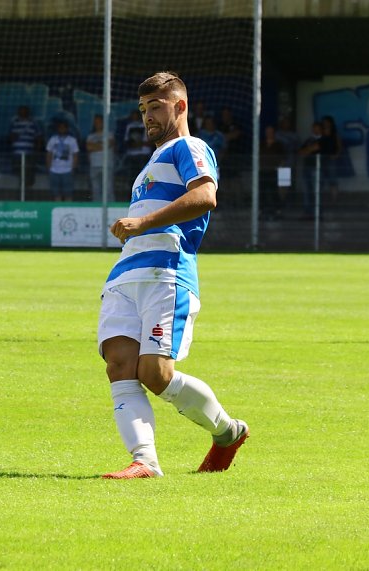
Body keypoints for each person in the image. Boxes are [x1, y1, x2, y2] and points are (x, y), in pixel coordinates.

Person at [98, 71, 248, 479]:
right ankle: (144, 461)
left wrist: (143, 222)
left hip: (166, 273)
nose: (146, 116)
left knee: (155, 374)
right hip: (125, 276)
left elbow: (205, 196)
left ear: (179, 106)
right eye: (142, 109)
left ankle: (228, 432)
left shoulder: (190, 147)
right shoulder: (150, 162)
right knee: (119, 364)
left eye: (155, 107)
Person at [9, 105, 41, 191]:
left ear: (28, 112)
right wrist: (13, 137)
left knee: (28, 170)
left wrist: (37, 150)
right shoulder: (14, 122)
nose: (22, 112)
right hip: (17, 152)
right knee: (18, 170)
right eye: (20, 111)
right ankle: (22, 189)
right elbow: (10, 136)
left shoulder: (33, 122)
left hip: (29, 151)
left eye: (24, 111)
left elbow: (38, 136)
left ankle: (27, 189)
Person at [45, 119, 79, 202]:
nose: (62, 129)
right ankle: (58, 207)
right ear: (57, 129)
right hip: (54, 170)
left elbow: (75, 155)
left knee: (68, 194)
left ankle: (68, 208)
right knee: (56, 194)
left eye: (64, 127)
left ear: (67, 129)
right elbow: (49, 154)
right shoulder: (53, 139)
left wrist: (73, 168)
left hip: (67, 170)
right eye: (60, 127)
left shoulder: (72, 140)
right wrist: (49, 168)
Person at [85, 114, 115, 202]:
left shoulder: (109, 134)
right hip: (94, 165)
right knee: (95, 189)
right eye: (96, 122)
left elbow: (109, 144)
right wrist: (102, 145)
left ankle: (110, 206)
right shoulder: (91, 136)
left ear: (103, 123)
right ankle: (96, 206)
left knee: (108, 188)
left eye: (99, 122)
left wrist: (94, 146)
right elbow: (88, 147)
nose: (97, 124)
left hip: (107, 165)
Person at [260, 124, 287, 219]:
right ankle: (262, 210)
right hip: (263, 171)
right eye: (267, 132)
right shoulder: (261, 144)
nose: (269, 134)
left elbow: (283, 158)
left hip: (274, 171)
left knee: (275, 191)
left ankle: (277, 210)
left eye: (271, 132)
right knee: (262, 191)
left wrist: (279, 167)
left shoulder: (279, 145)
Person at [298, 121, 323, 220]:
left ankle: (318, 213)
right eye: (313, 128)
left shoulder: (324, 139)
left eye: (317, 128)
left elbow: (319, 148)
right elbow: (301, 152)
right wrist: (310, 149)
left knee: (317, 192)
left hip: (317, 169)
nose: (314, 130)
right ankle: (307, 212)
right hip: (306, 168)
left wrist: (308, 150)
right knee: (306, 191)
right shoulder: (309, 140)